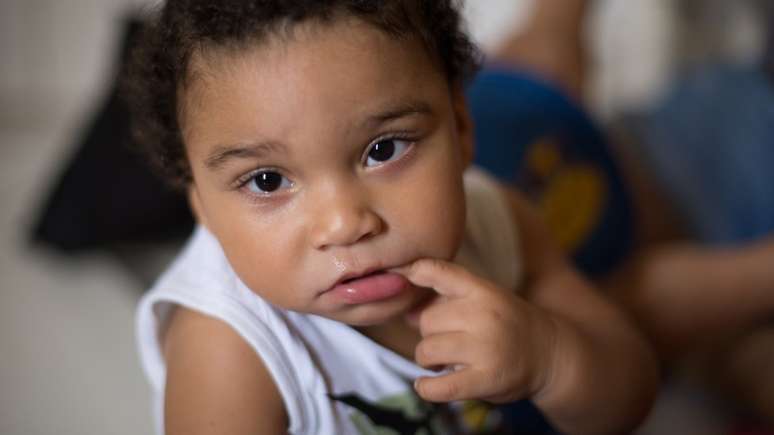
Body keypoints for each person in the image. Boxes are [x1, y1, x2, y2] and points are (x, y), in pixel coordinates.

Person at [127, 1, 658, 434]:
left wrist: (549, 360)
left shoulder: (495, 221)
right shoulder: (232, 352)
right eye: (268, 180)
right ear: (203, 209)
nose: (343, 223)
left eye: (382, 149)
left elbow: (629, 395)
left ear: (459, 128)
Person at [478, 0, 774, 430]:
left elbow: (542, 59)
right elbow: (638, 309)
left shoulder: (488, 129)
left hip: (678, 150)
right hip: (687, 336)